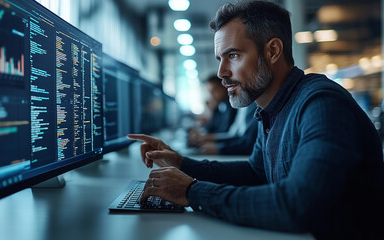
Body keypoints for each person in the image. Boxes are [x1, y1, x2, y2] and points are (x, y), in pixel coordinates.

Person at [128, 0, 384, 238]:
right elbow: (256, 172)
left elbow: (297, 206)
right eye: (220, 59)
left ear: (272, 51)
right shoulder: (272, 109)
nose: (221, 73)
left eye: (234, 56)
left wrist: (191, 191)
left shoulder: (322, 104)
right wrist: (182, 163)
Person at [188, 75, 237, 145]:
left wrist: (204, 137)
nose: (211, 95)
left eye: (214, 91)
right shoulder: (220, 106)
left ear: (224, 88)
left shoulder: (232, 106)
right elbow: (213, 128)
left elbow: (224, 131)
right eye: (210, 92)